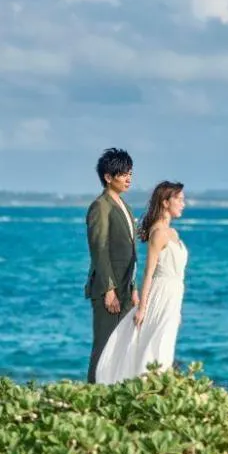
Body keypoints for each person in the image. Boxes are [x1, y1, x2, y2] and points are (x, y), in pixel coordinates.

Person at [93, 181, 187, 384]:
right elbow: (148, 273)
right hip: (160, 295)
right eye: (179, 199)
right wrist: (142, 308)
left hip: (173, 297)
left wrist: (177, 311)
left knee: (165, 344)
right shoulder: (159, 233)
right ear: (165, 202)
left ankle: (156, 388)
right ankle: (148, 387)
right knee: (158, 344)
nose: (183, 203)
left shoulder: (173, 233)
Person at [84, 147, 137, 382]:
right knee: (104, 346)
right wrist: (108, 289)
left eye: (130, 173)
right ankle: (92, 395)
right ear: (108, 177)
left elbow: (130, 252)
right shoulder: (100, 206)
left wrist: (133, 287)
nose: (128, 178)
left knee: (122, 348)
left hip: (126, 288)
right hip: (110, 290)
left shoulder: (125, 206)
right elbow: (100, 248)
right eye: (123, 174)